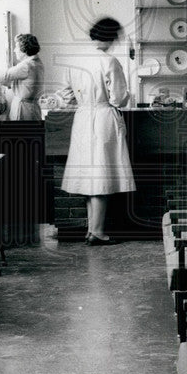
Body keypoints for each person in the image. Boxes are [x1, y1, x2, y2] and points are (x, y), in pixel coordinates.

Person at [61, 17, 136, 245]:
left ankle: (92, 229)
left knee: (89, 177)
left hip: (83, 118)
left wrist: (83, 100)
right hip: (103, 118)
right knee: (102, 175)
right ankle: (98, 232)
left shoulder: (74, 61)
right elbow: (119, 99)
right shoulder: (109, 60)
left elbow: (66, 96)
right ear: (111, 37)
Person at [0, 33, 44, 121]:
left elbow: (2, 76)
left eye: (16, 47)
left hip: (23, 109)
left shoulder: (26, 66)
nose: (14, 50)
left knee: (20, 134)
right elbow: (25, 84)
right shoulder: (37, 63)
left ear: (24, 49)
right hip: (32, 108)